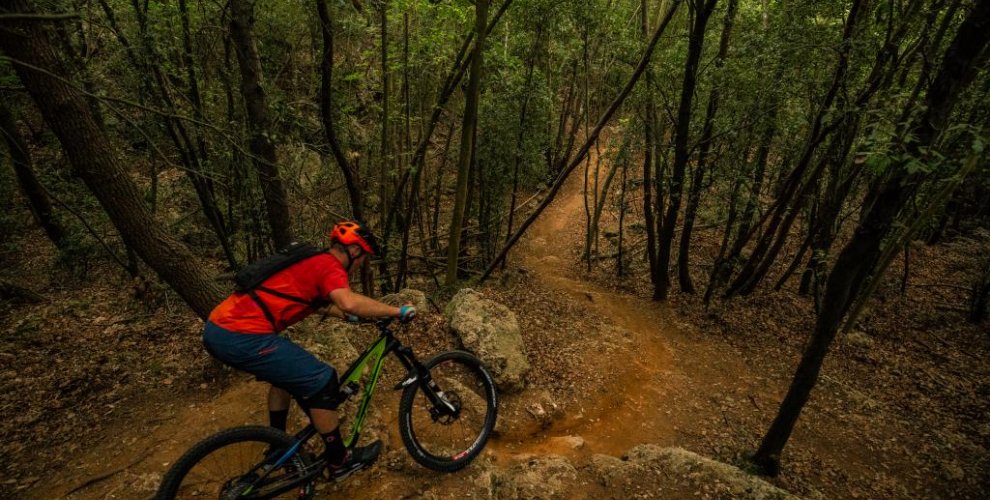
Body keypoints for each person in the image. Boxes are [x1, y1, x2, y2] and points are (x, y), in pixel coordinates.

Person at [202, 221, 416, 480]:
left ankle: (278, 445)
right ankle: (340, 461)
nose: (361, 265)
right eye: (363, 258)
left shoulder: (312, 261)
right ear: (354, 252)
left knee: (284, 380)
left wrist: (353, 318)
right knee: (323, 379)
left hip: (220, 328)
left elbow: (317, 303)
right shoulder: (330, 266)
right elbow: (347, 301)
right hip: (241, 335)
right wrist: (397, 310)